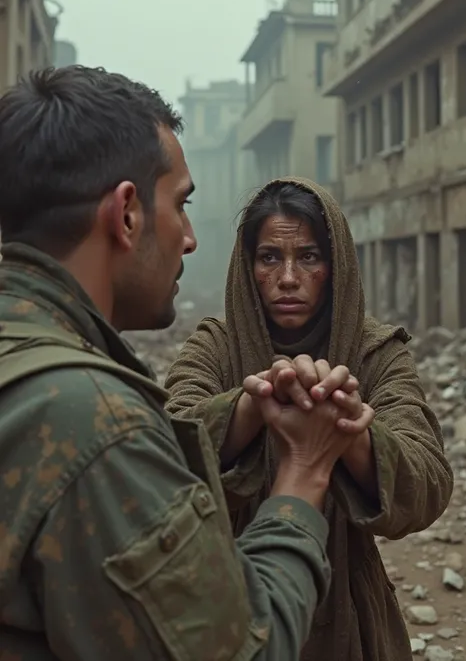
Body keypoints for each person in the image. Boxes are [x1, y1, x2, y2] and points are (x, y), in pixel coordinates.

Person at [0, 68, 371, 661]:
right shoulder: (98, 424)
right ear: (126, 214)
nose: (192, 239)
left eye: (309, 257)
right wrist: (303, 471)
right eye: (181, 205)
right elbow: (240, 648)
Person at [165, 178, 454, 661]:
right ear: (248, 266)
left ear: (335, 264)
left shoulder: (376, 354)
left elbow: (426, 483)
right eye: (270, 258)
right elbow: (165, 454)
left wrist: (346, 429)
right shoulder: (215, 347)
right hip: (227, 603)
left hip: (350, 614)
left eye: (310, 257)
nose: (289, 277)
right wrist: (253, 405)